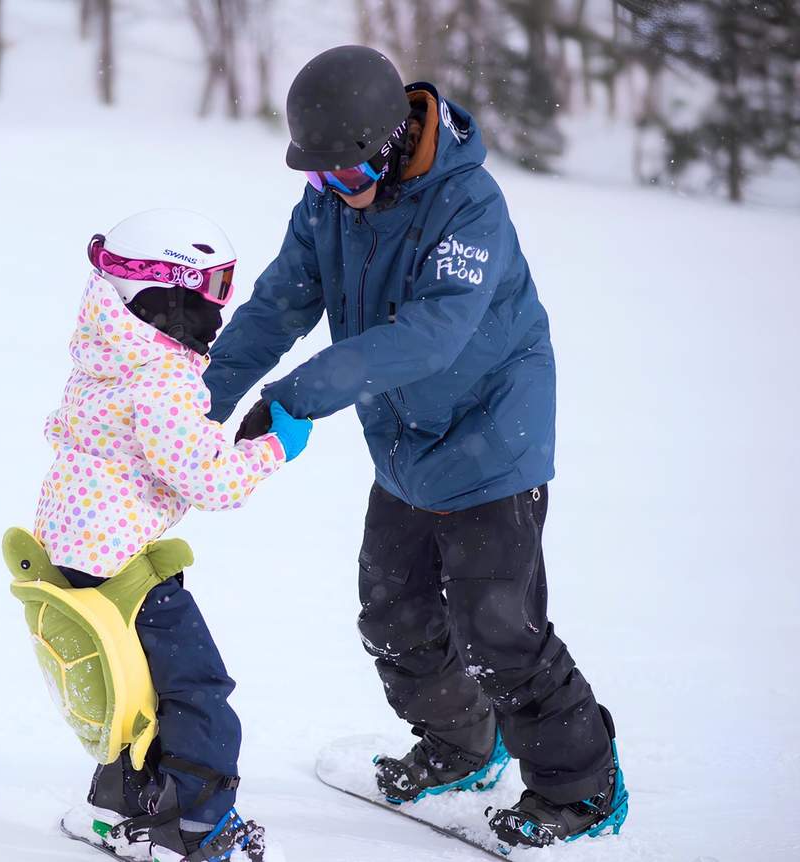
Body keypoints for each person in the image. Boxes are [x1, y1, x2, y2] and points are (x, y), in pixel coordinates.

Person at [202, 46, 628, 849]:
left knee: (497, 629)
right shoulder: (330, 202)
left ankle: (580, 786)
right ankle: (460, 743)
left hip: (492, 436)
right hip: (402, 439)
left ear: (390, 144)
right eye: (316, 177)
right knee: (392, 614)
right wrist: (199, 406)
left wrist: (295, 396)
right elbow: (276, 306)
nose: (328, 191)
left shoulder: (469, 207)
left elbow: (432, 335)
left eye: (342, 174)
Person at [33, 208, 310, 861]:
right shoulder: (161, 378)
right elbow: (208, 482)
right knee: (197, 690)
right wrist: (274, 449)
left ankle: (121, 800)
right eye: (210, 292)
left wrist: (234, 439)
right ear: (161, 292)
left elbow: (164, 454)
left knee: (137, 684)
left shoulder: (108, 355)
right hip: (122, 565)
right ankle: (194, 825)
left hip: (74, 554)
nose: (219, 311)